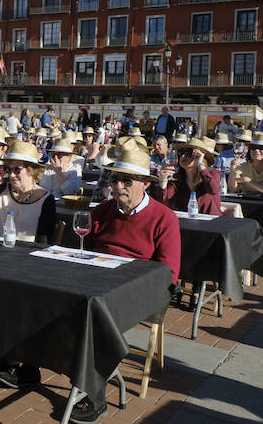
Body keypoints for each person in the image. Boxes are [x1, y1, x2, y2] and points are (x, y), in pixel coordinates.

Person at [81, 150, 180, 423]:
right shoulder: (101, 211)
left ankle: (96, 396)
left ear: (145, 184)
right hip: (96, 280)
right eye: (114, 180)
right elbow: (82, 251)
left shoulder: (164, 218)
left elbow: (168, 273)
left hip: (138, 290)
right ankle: (29, 367)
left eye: (126, 181)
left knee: (96, 317)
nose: (117, 186)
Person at [0, 141, 56, 244]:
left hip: (26, 255)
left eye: (17, 170)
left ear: (31, 170)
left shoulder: (46, 200)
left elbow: (43, 241)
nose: (12, 175)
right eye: (9, 170)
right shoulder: (1, 190)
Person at [157, 137, 221, 215]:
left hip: (212, 224)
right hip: (187, 225)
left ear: (201, 157)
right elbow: (164, 205)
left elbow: (213, 190)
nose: (183, 156)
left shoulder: (213, 174)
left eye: (189, 152)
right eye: (181, 152)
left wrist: (200, 165)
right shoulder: (177, 180)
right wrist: (163, 183)